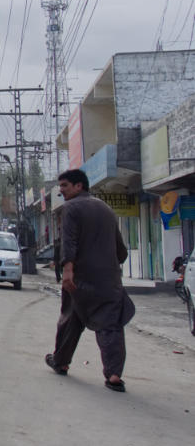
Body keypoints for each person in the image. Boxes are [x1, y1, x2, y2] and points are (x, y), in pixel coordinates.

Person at [45, 168, 135, 393]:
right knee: (110, 326)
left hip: (80, 280)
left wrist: (67, 270)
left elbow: (69, 242)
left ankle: (61, 361)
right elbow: (121, 251)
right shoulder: (105, 208)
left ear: (79, 186)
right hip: (109, 281)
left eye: (65, 186)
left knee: (70, 320)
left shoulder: (71, 208)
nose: (61, 191)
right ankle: (114, 375)